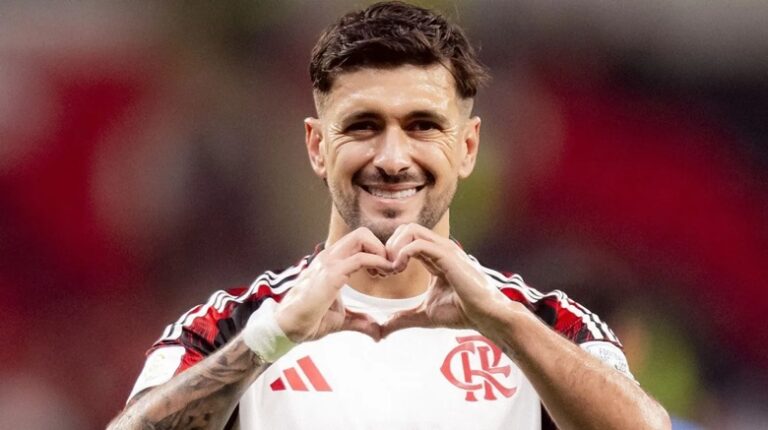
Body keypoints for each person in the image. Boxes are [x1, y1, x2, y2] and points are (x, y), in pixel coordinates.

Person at [108, 2, 670, 429]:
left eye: (423, 125)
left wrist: (506, 326)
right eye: (363, 126)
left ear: (468, 147)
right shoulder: (238, 324)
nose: (393, 158)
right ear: (317, 147)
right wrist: (271, 340)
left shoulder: (544, 322)